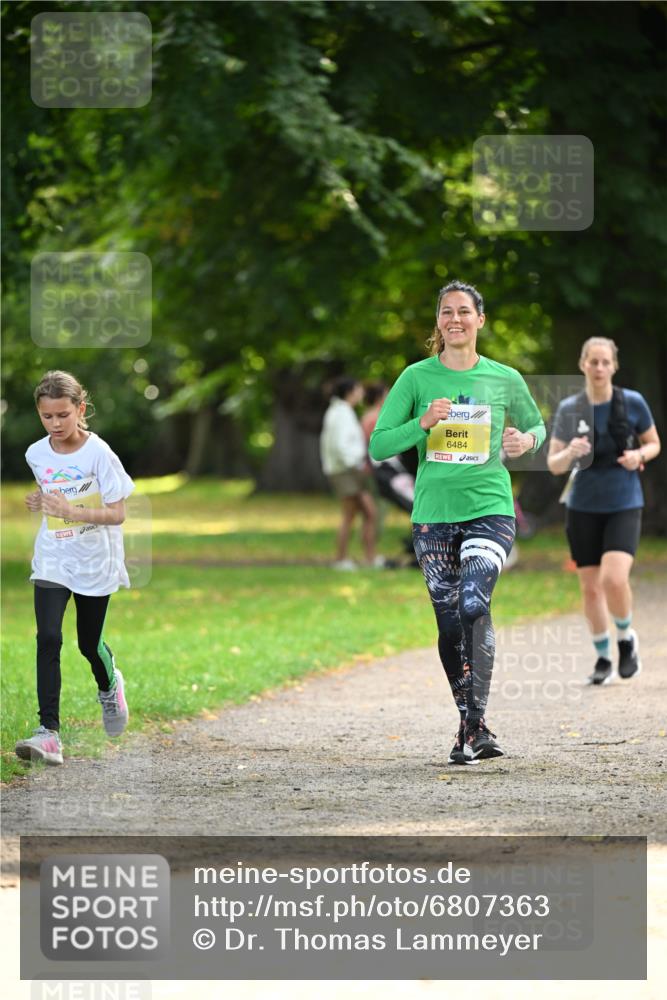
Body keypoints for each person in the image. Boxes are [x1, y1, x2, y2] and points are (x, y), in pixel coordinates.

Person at [370, 280, 545, 763]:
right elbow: (379, 446)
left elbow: (537, 425)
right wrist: (421, 424)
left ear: (480, 320)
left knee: (473, 602)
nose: (455, 320)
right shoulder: (416, 378)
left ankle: (472, 726)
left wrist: (525, 443)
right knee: (450, 623)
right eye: (446, 312)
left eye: (464, 312)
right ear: (438, 322)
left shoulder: (505, 378)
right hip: (433, 518)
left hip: (490, 508)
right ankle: (473, 729)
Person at [15, 371, 135, 765]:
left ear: (80, 409)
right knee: (48, 637)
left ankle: (108, 683)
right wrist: (41, 501)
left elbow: (117, 514)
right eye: (47, 417)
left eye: (63, 415)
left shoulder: (99, 453)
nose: (56, 424)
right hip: (53, 556)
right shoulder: (36, 453)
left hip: (94, 561)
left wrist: (73, 511)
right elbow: (54, 492)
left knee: (88, 644)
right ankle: (48, 733)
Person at [547, 337, 660, 685]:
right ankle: (601, 658)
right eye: (592, 362)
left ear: (614, 366)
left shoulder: (633, 403)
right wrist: (570, 454)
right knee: (591, 588)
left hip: (624, 501)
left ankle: (625, 638)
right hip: (582, 505)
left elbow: (654, 443)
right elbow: (552, 464)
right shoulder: (569, 408)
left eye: (604, 362)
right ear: (582, 364)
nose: (598, 368)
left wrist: (639, 456)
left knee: (614, 579)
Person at [320, 376, 380, 570]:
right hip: (346, 471)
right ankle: (341, 559)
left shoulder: (342, 411)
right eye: (358, 389)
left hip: (349, 469)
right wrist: (357, 464)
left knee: (367, 513)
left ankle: (369, 557)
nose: (361, 393)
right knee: (353, 515)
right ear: (350, 391)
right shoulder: (341, 413)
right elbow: (341, 445)